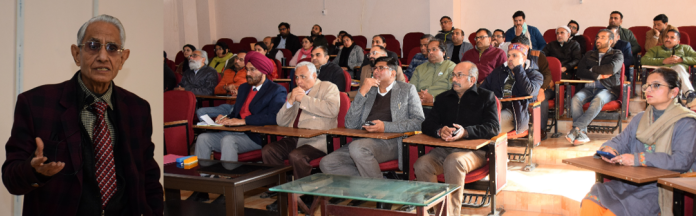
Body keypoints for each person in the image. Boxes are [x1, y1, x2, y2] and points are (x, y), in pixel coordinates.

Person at [2, 14, 162, 215]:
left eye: (112, 48)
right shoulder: (36, 103)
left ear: (123, 58)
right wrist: (33, 170)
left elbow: (149, 177)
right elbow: (10, 179)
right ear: (76, 54)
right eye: (93, 46)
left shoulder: (138, 109)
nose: (103, 56)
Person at [580, 68, 696, 216]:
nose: (648, 90)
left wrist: (639, 159)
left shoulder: (686, 122)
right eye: (647, 85)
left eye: (656, 85)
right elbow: (620, 141)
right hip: (630, 182)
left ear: (674, 92)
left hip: (661, 188)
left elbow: (682, 161)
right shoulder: (640, 117)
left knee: (612, 213)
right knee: (591, 202)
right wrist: (609, 148)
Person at [320, 57, 425, 208]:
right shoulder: (369, 91)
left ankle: (378, 194)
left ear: (393, 73)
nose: (376, 71)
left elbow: (419, 121)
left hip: (392, 142)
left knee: (358, 148)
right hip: (363, 141)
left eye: (381, 68)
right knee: (328, 163)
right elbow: (350, 124)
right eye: (374, 68)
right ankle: (383, 187)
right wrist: (362, 91)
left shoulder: (407, 90)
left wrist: (386, 127)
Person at [190, 51, 287, 201]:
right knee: (203, 138)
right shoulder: (243, 88)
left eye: (252, 70)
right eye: (247, 69)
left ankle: (228, 190)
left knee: (228, 140)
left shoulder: (276, 90)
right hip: (236, 131)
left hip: (256, 136)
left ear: (263, 71)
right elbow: (237, 113)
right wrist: (225, 118)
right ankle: (202, 187)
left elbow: (275, 117)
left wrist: (245, 121)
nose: (248, 73)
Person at [414, 62, 499, 216]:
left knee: (454, 161)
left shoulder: (486, 97)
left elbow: (493, 127)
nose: (454, 78)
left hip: (474, 151)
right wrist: (440, 131)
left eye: (459, 75)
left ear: (472, 80)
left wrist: (465, 132)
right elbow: (427, 124)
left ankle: (451, 214)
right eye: (453, 75)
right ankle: (439, 209)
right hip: (444, 149)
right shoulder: (442, 98)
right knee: (422, 164)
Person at [262, 62, 340, 211]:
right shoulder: (295, 92)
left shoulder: (328, 87)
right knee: (268, 150)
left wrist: (304, 99)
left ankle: (305, 197)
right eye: (297, 77)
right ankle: (282, 195)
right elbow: (281, 122)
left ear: (314, 75)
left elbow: (332, 110)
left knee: (296, 156)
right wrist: (290, 103)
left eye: (303, 77)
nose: (299, 81)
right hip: (295, 137)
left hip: (318, 140)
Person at [567, 29, 624, 145]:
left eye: (603, 37)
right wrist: (597, 75)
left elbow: (611, 69)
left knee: (598, 100)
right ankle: (581, 134)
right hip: (588, 88)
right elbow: (580, 72)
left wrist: (592, 69)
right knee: (575, 99)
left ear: (611, 41)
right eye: (597, 37)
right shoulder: (589, 54)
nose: (598, 39)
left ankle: (576, 129)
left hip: (608, 88)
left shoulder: (617, 54)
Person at [480, 42, 543, 134]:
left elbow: (528, 91)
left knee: (489, 126)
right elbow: (483, 89)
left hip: (515, 112)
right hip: (495, 108)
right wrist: (493, 101)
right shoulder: (499, 72)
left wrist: (518, 68)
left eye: (514, 56)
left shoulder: (536, 75)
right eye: (508, 55)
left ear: (524, 59)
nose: (510, 59)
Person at [514, 35, 553, 140]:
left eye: (520, 47)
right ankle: (521, 129)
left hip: (541, 87)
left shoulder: (538, 55)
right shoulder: (512, 56)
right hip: (523, 88)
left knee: (541, 101)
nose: (518, 50)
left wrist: (541, 89)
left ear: (527, 46)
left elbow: (547, 75)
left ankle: (541, 129)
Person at [195, 51, 249, 121]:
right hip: (227, 106)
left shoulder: (249, 73)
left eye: (241, 60)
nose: (237, 61)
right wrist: (226, 88)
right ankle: (212, 129)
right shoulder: (227, 72)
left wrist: (239, 91)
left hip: (240, 106)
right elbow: (216, 90)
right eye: (236, 58)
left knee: (234, 112)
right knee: (200, 111)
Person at [641, 30, 696, 97]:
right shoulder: (656, 49)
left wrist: (681, 59)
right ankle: (690, 95)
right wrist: (663, 61)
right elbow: (643, 60)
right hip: (663, 74)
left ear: (678, 41)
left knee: (679, 68)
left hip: (680, 74)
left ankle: (688, 95)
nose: (668, 39)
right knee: (677, 74)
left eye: (672, 37)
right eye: (666, 37)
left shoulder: (686, 48)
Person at [411, 38, 456, 104]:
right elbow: (411, 90)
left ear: (443, 52)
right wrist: (418, 96)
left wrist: (433, 99)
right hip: (420, 106)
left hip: (442, 106)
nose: (430, 52)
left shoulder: (451, 67)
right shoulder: (420, 68)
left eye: (434, 49)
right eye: (429, 50)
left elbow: (453, 92)